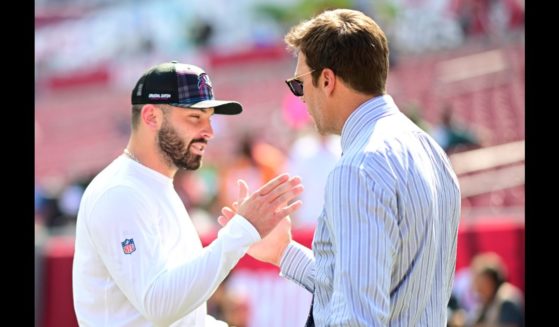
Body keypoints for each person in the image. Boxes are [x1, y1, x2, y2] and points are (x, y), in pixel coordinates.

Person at [219, 9, 461, 326]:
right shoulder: (431, 151)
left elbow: (356, 318)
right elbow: (377, 289)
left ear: (327, 80)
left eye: (299, 84)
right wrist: (283, 252)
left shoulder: (357, 168)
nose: (301, 98)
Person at [72, 61, 304, 327]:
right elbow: (157, 305)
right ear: (151, 117)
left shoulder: (154, 185)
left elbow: (181, 316)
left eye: (209, 118)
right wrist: (242, 231)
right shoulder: (121, 192)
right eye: (195, 117)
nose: (209, 132)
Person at [469, 252, 524, 327]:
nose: (477, 288)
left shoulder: (507, 299)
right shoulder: (490, 299)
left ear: (490, 281)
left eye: (480, 282)